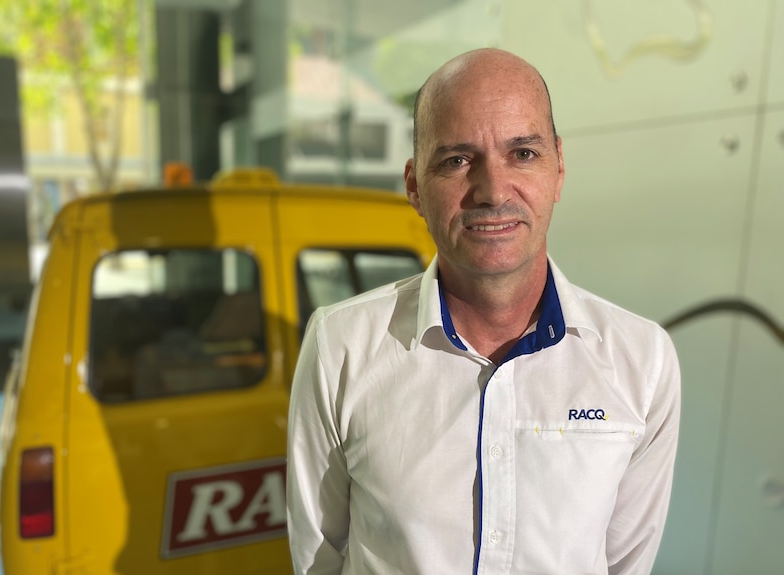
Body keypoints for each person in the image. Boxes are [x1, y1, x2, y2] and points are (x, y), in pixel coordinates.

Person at [286, 47, 680, 575]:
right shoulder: (341, 345)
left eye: (523, 154)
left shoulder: (642, 360)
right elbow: (319, 559)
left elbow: (625, 565)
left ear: (558, 168)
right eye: (457, 160)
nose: (493, 191)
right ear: (413, 187)